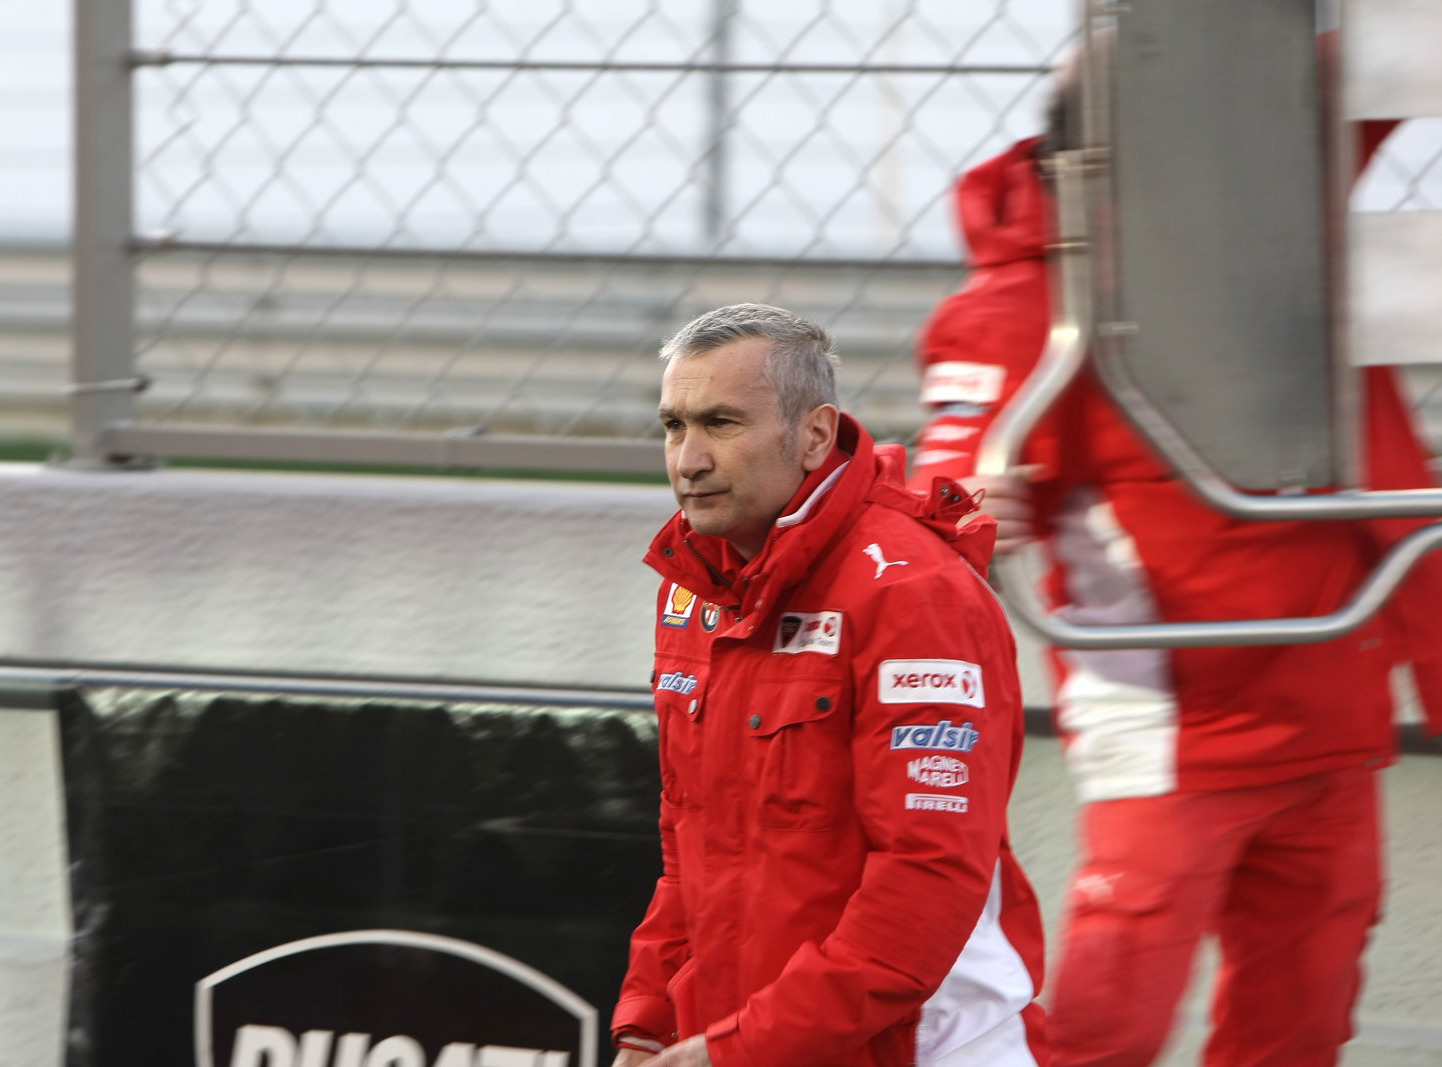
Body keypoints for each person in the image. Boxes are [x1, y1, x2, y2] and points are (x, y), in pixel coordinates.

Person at [908, 54, 1442, 1067]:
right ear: (1088, 162)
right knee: (1110, 1025)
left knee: (1302, 1025)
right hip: (1171, 734)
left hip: (1331, 720)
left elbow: (1371, 68)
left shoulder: (1278, 227)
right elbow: (945, 498)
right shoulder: (1030, 307)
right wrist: (963, 507)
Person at [610, 303, 1050, 1067]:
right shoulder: (695, 587)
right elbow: (690, 849)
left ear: (814, 435)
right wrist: (647, 1024)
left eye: (721, 423)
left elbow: (926, 880)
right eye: (674, 426)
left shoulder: (915, 594)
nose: (688, 459)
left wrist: (743, 1047)